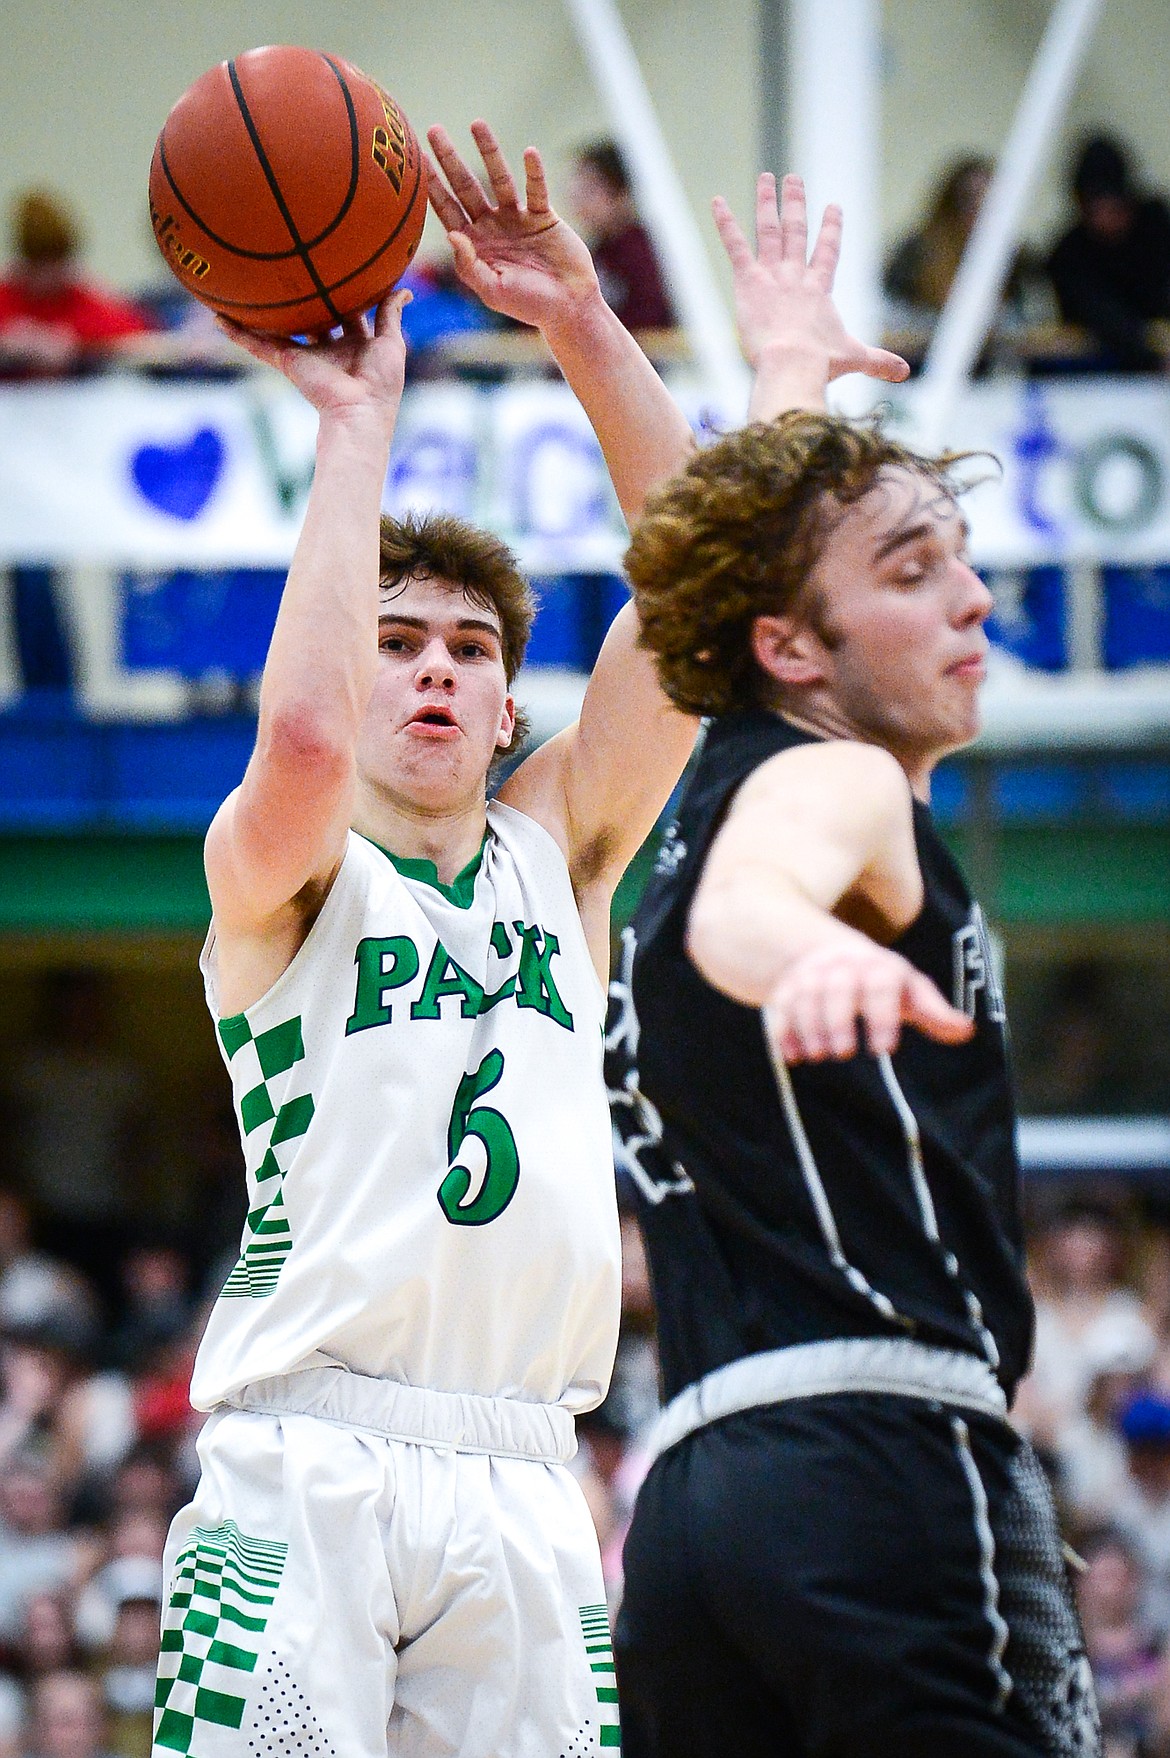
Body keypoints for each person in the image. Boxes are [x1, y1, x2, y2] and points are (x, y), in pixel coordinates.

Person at [150, 121, 906, 1757]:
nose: (429, 670)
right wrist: (359, 423)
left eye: (469, 647)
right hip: (303, 1463)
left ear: (511, 703)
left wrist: (579, 316)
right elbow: (298, 739)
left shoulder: (557, 846)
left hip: (521, 1472)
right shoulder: (279, 868)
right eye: (398, 641)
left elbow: (714, 587)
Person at [603, 186, 1101, 1755]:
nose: (968, 595)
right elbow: (743, 916)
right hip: (879, 1457)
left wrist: (787, 377)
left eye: (959, 556)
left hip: (689, 1503)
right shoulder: (836, 795)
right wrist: (807, 952)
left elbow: (765, 580)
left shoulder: (703, 781)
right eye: (913, 567)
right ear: (795, 649)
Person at [1047, 134, 1170, 372]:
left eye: (1114, 208)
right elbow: (1096, 312)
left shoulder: (1157, 229)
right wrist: (1150, 357)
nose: (1105, 220)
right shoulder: (1070, 254)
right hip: (1100, 371)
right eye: (1095, 210)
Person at [0, 190, 154, 380]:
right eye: (39, 265)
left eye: (56, 263)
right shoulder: (5, 296)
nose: (49, 276)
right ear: (23, 261)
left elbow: (144, 342)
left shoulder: (86, 296)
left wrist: (79, 346)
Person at [569, 140, 675, 333]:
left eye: (590, 190)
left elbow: (651, 318)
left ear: (621, 194)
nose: (578, 200)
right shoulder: (598, 251)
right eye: (578, 190)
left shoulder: (643, 252)